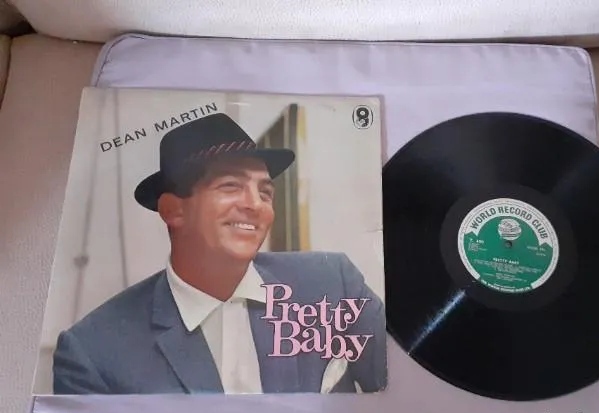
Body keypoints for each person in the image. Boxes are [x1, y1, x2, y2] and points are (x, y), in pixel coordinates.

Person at [52, 113, 387, 395]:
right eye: (230, 186)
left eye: (265, 192)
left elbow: (403, 383)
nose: (256, 205)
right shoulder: (93, 353)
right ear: (173, 210)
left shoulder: (333, 283)